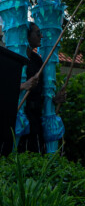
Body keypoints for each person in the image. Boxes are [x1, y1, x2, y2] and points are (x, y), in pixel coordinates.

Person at [19, 23, 44, 153]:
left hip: (35, 117)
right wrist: (23, 86)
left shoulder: (37, 61)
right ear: (27, 36)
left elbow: (42, 89)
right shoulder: (13, 57)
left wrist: (55, 98)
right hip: (17, 116)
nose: (41, 36)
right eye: (38, 33)